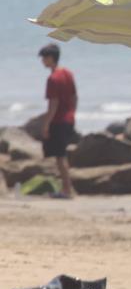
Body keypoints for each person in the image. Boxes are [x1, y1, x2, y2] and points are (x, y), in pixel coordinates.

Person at [36, 44, 76, 199]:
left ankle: (67, 190)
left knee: (60, 157)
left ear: (51, 58)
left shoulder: (53, 78)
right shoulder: (68, 73)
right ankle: (67, 189)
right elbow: (74, 97)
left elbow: (53, 103)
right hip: (69, 118)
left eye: (44, 58)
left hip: (58, 121)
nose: (42, 61)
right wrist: (73, 113)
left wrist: (46, 124)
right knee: (62, 155)